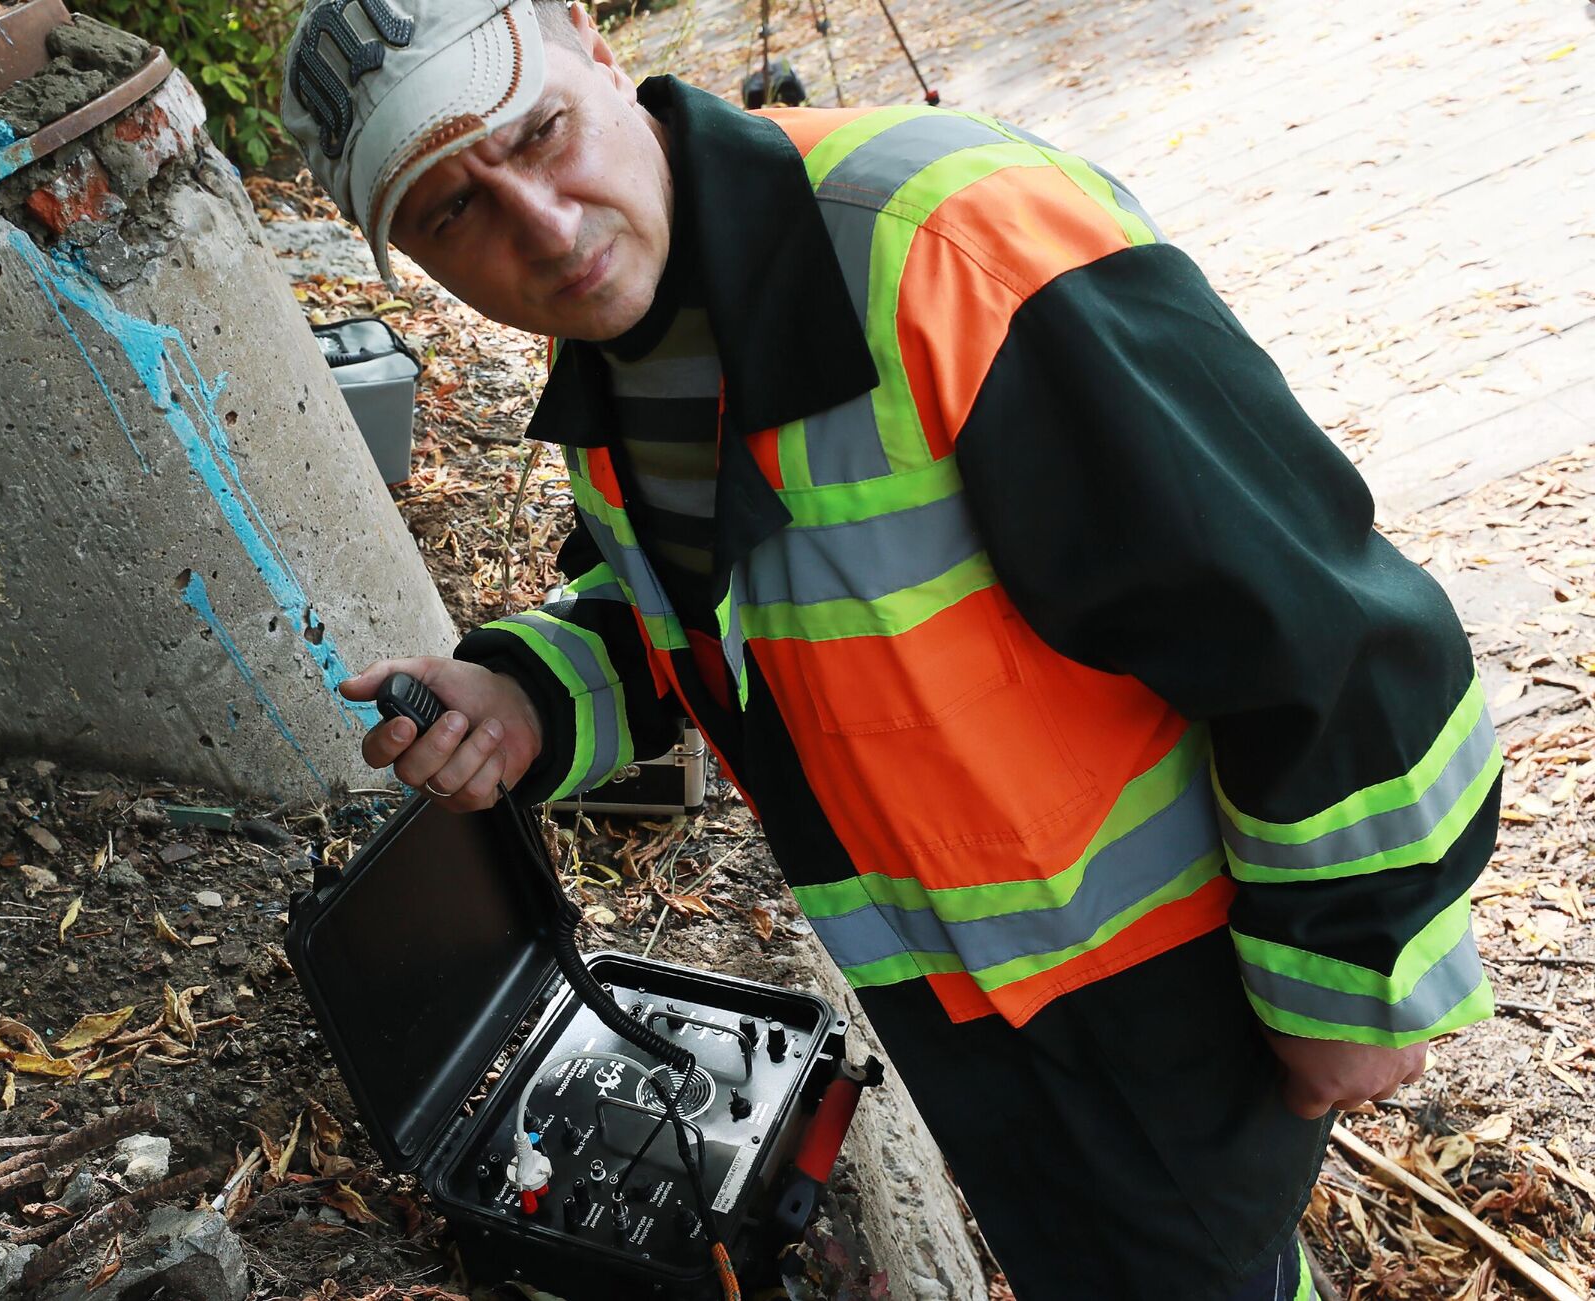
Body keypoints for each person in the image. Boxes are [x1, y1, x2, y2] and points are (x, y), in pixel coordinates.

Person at [279, 1, 1501, 1296]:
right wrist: (525, 692)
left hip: (1167, 1022)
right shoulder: (617, 358)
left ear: (590, 39)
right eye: (450, 213)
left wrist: (1355, 974)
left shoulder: (948, 250)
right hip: (985, 1034)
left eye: (538, 133)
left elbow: (1329, 624)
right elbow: (711, 625)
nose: (543, 224)